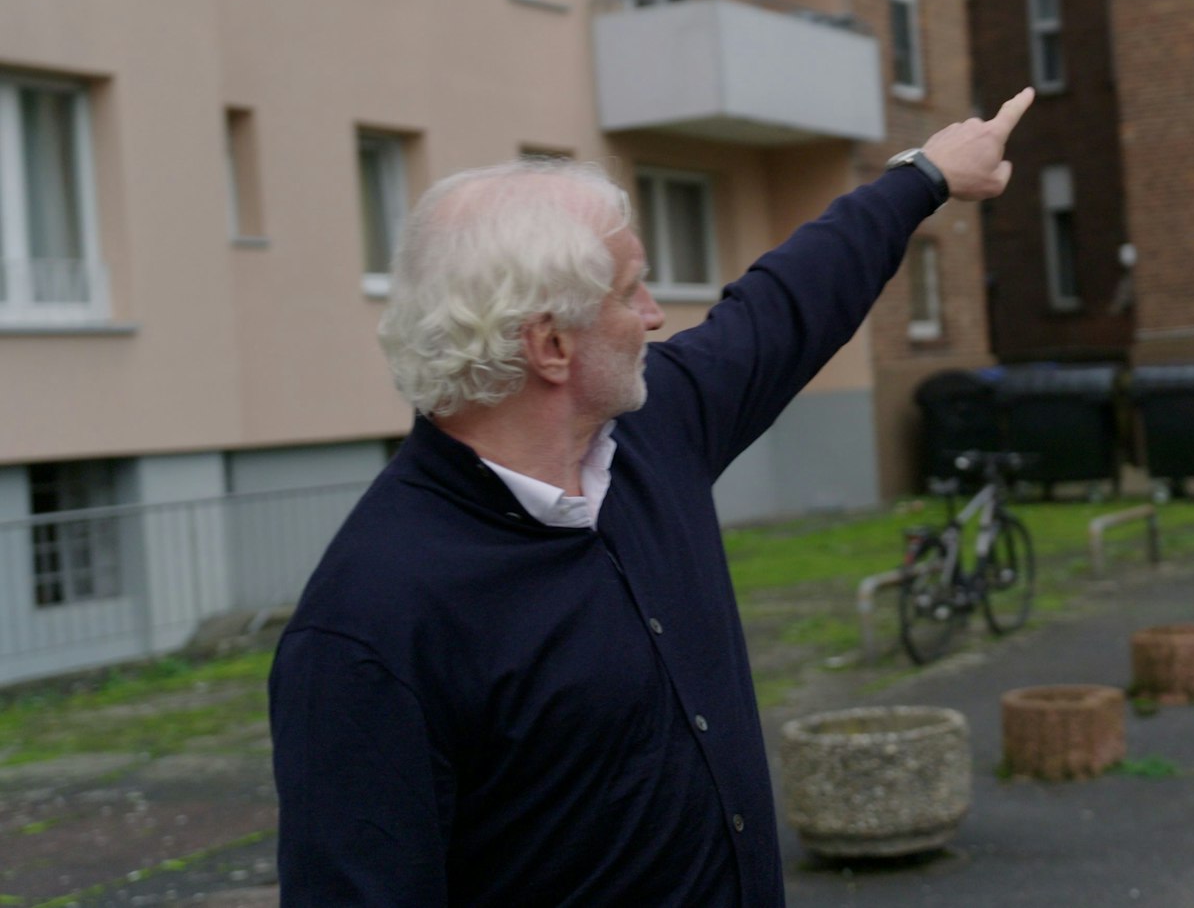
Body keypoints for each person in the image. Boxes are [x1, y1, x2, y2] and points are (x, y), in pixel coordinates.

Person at [269, 89, 1035, 904]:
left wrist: (924, 176)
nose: (656, 316)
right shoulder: (372, 622)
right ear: (551, 343)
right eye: (631, 291)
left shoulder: (648, 436)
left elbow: (782, 308)